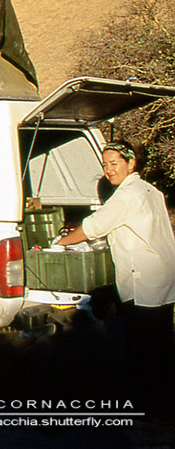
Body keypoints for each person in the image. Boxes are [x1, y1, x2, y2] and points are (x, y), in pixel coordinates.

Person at [56, 141, 175, 414]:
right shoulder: (150, 190)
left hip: (145, 279)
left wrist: (60, 242)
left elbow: (94, 226)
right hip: (165, 276)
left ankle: (148, 409)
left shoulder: (126, 196)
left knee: (143, 348)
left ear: (131, 164)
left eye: (115, 163)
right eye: (105, 164)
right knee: (162, 346)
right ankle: (166, 405)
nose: (109, 170)